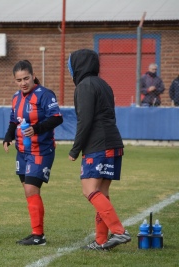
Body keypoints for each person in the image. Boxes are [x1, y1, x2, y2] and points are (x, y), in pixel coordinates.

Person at [67, 49, 131, 251]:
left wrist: (75, 149)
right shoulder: (104, 84)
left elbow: (84, 121)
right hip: (113, 143)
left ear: (78, 65)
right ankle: (101, 240)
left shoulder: (84, 86)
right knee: (101, 191)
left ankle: (119, 231)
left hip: (98, 146)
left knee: (89, 190)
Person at [3, 60, 63, 246]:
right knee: (28, 191)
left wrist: (36, 129)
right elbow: (14, 120)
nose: (23, 83)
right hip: (22, 151)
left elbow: (57, 118)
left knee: (31, 189)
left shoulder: (45, 95)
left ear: (33, 75)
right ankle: (36, 232)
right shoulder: (16, 97)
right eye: (19, 80)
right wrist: (8, 137)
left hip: (41, 150)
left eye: (26, 78)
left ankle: (38, 235)